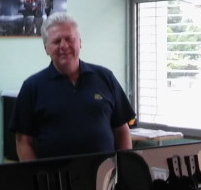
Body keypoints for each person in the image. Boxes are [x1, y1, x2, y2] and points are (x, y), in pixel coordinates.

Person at [10, 13, 135, 160]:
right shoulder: (32, 87)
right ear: (46, 49)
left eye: (69, 39)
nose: (64, 46)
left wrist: (125, 166)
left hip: (105, 172)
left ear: (80, 42)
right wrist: (36, 173)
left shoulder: (105, 77)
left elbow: (122, 130)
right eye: (56, 41)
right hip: (55, 174)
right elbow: (23, 142)